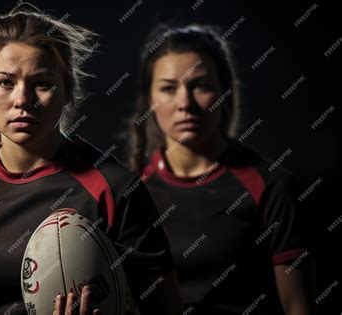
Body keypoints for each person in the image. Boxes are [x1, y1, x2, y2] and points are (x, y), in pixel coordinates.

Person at [0, 4, 181, 315]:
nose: (22, 100)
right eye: (6, 82)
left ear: (67, 92)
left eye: (42, 83)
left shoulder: (116, 190)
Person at [128, 24, 314, 315]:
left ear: (224, 92)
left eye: (200, 86)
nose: (185, 103)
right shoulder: (131, 190)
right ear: (150, 100)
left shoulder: (270, 185)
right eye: (168, 88)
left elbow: (298, 307)